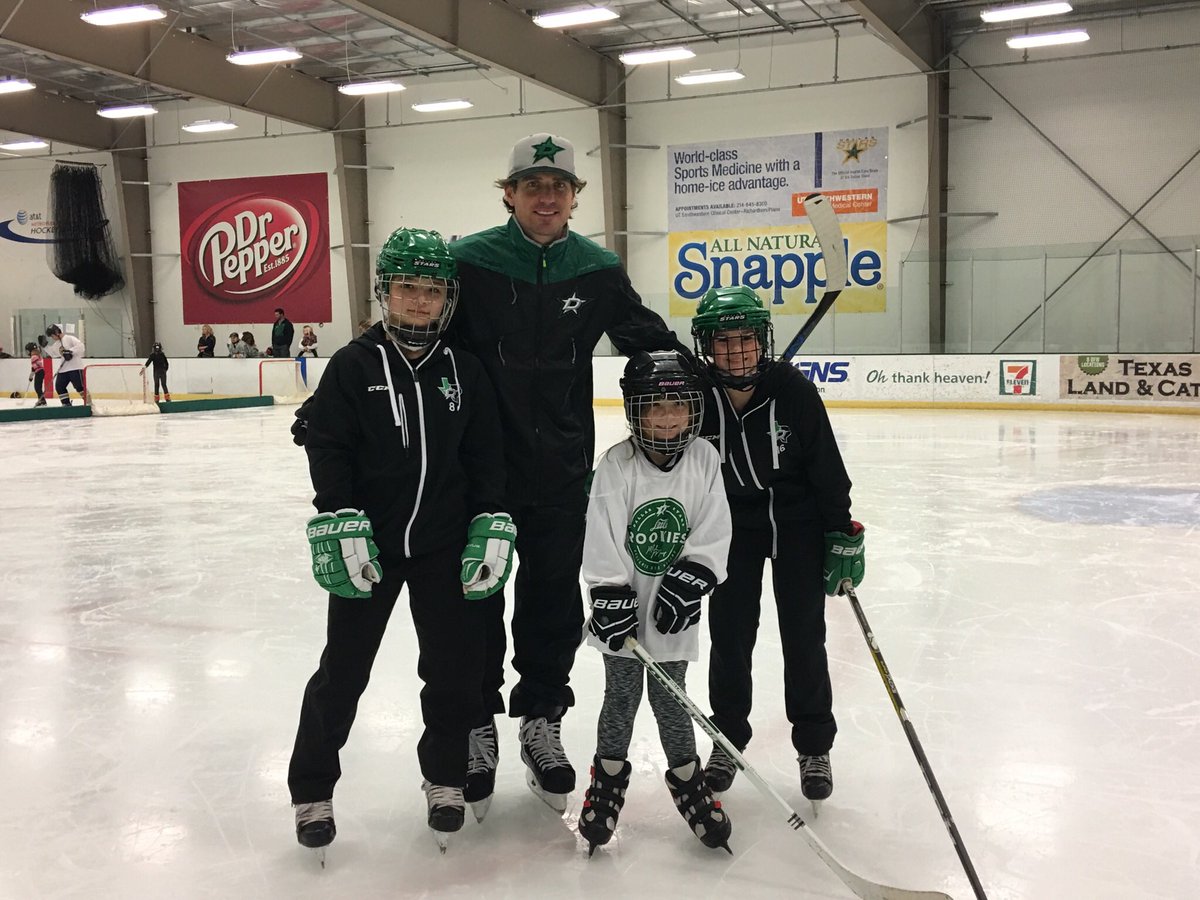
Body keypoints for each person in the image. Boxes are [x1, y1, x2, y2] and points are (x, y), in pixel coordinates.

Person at [447, 132, 685, 809]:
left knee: (552, 602)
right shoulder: (471, 262)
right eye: (532, 185)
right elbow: (418, 331)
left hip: (561, 470)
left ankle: (541, 719)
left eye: (559, 186)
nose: (546, 196)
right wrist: (338, 396)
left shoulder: (598, 268)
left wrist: (713, 380)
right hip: (482, 469)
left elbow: (646, 339)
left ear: (575, 198)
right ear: (510, 194)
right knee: (476, 596)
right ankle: (474, 723)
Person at [288, 227, 512, 859]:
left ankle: (444, 778)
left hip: (444, 547)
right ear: (385, 291)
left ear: (448, 297)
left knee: (453, 671)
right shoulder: (353, 366)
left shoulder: (463, 370)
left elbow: (485, 457)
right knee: (343, 670)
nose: (420, 300)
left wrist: (490, 519)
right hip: (371, 546)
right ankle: (313, 788)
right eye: (408, 287)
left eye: (433, 289)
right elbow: (327, 444)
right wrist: (340, 516)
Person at [689, 286, 865, 807]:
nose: (735, 351)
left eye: (744, 339)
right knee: (731, 634)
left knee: (804, 636)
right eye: (723, 342)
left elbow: (827, 468)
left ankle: (813, 745)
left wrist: (841, 532)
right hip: (731, 529)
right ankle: (728, 737)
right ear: (706, 347)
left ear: (761, 340)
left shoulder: (792, 389)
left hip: (799, 526)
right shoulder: (699, 394)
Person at [578, 350, 733, 855]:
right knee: (619, 700)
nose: (667, 419)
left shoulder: (705, 460)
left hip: (673, 613)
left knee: (673, 701)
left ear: (695, 410)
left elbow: (715, 527)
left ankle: (689, 781)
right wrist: (608, 593)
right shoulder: (616, 465)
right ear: (634, 412)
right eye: (653, 407)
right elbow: (599, 535)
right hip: (625, 612)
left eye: (678, 406)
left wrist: (694, 578)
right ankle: (607, 781)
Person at [45, 324, 85, 405]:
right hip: (64, 369)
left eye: (52, 336)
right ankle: (66, 404)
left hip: (75, 368)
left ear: (57, 332)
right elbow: (53, 353)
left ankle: (88, 403)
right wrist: (44, 346)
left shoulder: (69, 338)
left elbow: (81, 346)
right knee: (59, 386)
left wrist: (70, 351)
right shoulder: (57, 344)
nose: (52, 338)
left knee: (79, 387)